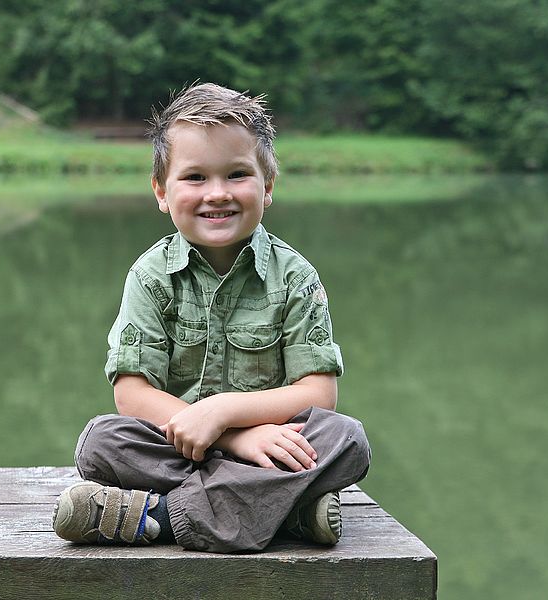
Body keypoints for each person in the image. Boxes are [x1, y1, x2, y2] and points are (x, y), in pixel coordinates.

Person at [52, 82, 371, 553]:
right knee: (101, 441)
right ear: (162, 191)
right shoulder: (150, 275)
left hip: (271, 448)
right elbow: (132, 393)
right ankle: (291, 513)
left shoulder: (295, 277)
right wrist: (236, 441)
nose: (217, 194)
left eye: (237, 174)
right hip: (181, 447)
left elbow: (318, 393)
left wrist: (224, 414)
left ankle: (158, 517)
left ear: (268, 187)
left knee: (345, 439)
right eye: (195, 177)